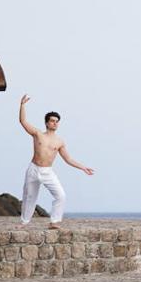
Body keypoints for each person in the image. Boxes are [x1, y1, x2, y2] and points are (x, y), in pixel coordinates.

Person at [17, 94, 94, 228]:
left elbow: (68, 159)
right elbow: (23, 122)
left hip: (47, 171)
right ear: (47, 122)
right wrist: (22, 105)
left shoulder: (59, 141)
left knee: (61, 195)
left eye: (57, 121)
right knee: (29, 197)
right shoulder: (38, 134)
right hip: (34, 169)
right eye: (52, 121)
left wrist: (83, 167)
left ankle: (54, 221)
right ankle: (24, 222)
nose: (55, 123)